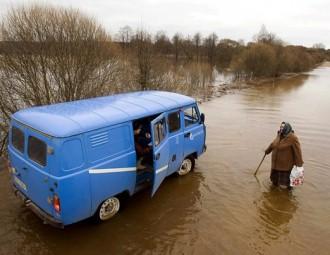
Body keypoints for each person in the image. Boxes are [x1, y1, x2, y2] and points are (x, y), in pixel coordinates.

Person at [265, 122, 304, 189]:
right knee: (274, 183)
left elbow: (298, 151)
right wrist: (267, 151)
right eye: (280, 127)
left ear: (287, 128)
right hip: (275, 164)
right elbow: (273, 144)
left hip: (285, 166)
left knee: (287, 185)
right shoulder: (279, 134)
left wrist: (299, 165)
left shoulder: (293, 138)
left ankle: (288, 194)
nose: (281, 128)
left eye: (283, 127)